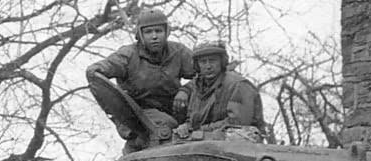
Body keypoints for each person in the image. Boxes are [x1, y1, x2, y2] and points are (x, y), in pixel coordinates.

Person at [86, 7, 194, 151]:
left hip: (175, 108)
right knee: (166, 128)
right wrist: (98, 69)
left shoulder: (178, 52)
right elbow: (97, 72)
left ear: (167, 32)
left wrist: (186, 90)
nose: (154, 36)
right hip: (141, 113)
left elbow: (204, 74)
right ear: (140, 34)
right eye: (148, 32)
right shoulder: (128, 55)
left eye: (159, 31)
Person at [179, 42, 265, 140]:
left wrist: (201, 131)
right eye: (203, 62)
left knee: (236, 135)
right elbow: (193, 119)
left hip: (241, 139)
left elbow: (237, 123)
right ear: (197, 65)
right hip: (207, 138)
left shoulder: (238, 85)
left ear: (222, 62)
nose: (208, 66)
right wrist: (186, 126)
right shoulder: (197, 87)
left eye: (212, 61)